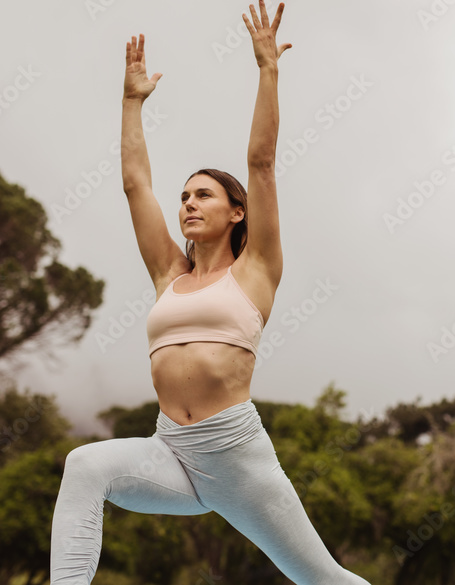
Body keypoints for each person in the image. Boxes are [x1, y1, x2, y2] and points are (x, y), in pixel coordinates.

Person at [49, 3, 371, 583]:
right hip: (168, 452)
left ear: (236, 211)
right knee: (84, 465)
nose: (188, 203)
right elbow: (134, 184)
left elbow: (262, 162)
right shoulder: (168, 273)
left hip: (235, 457)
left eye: (204, 195)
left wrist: (267, 69)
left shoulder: (257, 270)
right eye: (185, 197)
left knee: (323, 579)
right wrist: (131, 103)